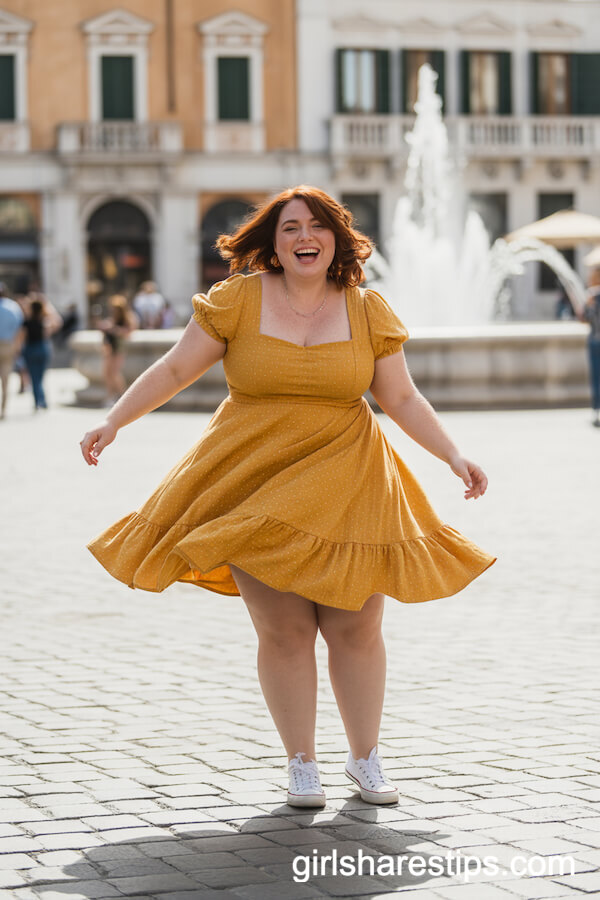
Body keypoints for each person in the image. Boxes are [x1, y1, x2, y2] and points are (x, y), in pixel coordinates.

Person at [80, 186, 495, 808]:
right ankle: (303, 763)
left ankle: (365, 758)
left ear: (337, 239)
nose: (306, 236)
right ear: (273, 244)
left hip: (351, 480)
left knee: (357, 626)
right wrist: (113, 420)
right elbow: (172, 369)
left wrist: (454, 455)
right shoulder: (238, 299)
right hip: (253, 477)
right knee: (285, 630)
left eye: (318, 226)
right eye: (291, 227)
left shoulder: (367, 309)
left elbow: (402, 399)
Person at [21, 293, 62, 411]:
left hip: (31, 349)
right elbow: (57, 323)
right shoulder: (45, 321)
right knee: (40, 377)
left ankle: (38, 401)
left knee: (34, 377)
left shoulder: (27, 322)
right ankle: (42, 400)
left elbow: (21, 337)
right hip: (42, 349)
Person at [97, 295, 137, 405]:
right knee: (107, 373)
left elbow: (129, 332)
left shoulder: (127, 318)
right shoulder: (113, 318)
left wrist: (115, 330)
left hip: (119, 347)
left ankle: (124, 397)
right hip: (109, 346)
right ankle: (111, 396)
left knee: (115, 373)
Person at [0, 283, 24, 419]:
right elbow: (20, 330)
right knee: (5, 379)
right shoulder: (13, 307)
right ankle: (3, 410)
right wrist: (18, 346)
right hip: (8, 345)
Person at [581, 268, 600, 427]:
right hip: (594, 341)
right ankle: (596, 410)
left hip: (595, 341)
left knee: (596, 377)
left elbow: (583, 318)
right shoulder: (592, 296)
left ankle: (596, 410)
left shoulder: (593, 296)